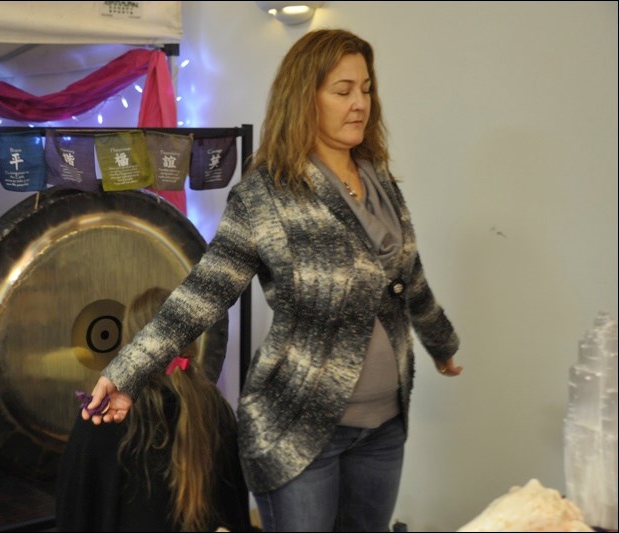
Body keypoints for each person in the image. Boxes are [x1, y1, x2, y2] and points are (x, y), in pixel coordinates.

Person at [84, 28, 462, 532]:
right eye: (342, 90)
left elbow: (407, 278)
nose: (360, 104)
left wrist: (441, 343)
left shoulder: (380, 181)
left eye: (366, 88)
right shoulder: (266, 196)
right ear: (305, 98)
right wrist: (128, 370)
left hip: (384, 427)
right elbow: (201, 295)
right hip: (297, 428)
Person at [56, 287, 251, 532]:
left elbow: (74, 510)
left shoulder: (103, 415)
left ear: (131, 343)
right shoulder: (216, 409)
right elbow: (234, 507)